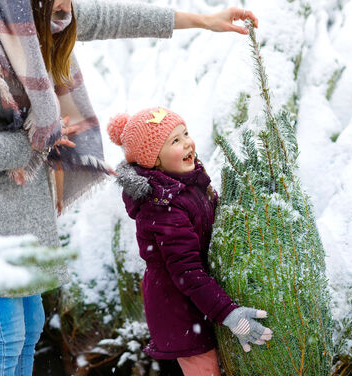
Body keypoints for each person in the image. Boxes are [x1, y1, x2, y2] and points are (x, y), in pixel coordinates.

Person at [0, 0, 259, 374]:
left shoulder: (35, 16)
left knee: (27, 333)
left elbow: (108, 17)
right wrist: (40, 139)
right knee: (4, 339)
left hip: (21, 209)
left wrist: (202, 20)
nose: (67, 5)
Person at [109, 107, 273, 376]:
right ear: (154, 161)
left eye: (185, 133)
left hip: (200, 301)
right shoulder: (162, 207)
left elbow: (214, 215)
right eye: (174, 141)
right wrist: (229, 314)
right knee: (205, 371)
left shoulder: (189, 181)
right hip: (178, 311)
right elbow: (187, 272)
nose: (187, 143)